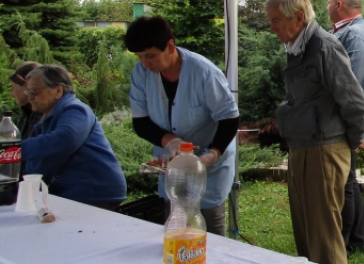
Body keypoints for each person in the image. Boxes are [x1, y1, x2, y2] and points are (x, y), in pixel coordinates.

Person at [267, 0, 364, 264]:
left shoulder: (324, 46)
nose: (271, 26)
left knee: (324, 238)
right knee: (306, 232)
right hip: (303, 146)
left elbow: (354, 101)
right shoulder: (297, 47)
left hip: (325, 149)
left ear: (298, 18)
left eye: (276, 20)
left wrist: (352, 140)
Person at [124, 16, 239, 237]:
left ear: (170, 46)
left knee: (208, 229)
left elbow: (229, 119)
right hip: (171, 161)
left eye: (150, 56)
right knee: (175, 225)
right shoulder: (141, 74)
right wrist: (172, 142)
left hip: (209, 159)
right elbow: (141, 122)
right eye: (140, 58)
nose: (146, 64)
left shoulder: (204, 72)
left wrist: (211, 156)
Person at [20, 65, 126, 209]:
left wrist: (14, 150)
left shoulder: (75, 109)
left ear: (58, 91)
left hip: (93, 192)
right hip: (72, 194)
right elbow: (39, 162)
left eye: (35, 91)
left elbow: (65, 139)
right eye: (28, 91)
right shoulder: (46, 119)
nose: (30, 96)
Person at [327, 0, 364, 255]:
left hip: (347, 122)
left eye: (328, 4)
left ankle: (344, 245)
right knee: (349, 179)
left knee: (344, 182)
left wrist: (356, 131)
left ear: (338, 6)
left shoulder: (355, 37)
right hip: (346, 120)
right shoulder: (345, 32)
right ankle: (357, 240)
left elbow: (354, 90)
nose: (325, 9)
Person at [9, 61, 42, 141]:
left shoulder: (42, 116)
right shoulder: (27, 112)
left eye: (13, 88)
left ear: (26, 86)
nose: (12, 94)